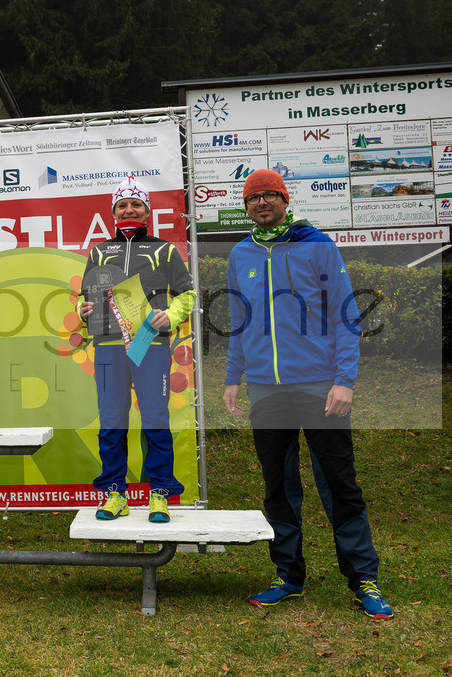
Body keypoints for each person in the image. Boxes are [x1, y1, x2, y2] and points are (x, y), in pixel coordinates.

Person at [223, 169, 392, 620]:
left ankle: (364, 579)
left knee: (339, 484)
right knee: (279, 487)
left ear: (284, 199)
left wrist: (345, 380)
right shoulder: (240, 253)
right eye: (253, 197)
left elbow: (346, 316)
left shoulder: (316, 244)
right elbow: (239, 321)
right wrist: (232, 377)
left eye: (269, 196)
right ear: (246, 206)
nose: (261, 203)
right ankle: (289, 576)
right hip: (265, 390)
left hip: (320, 386)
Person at [78, 177, 195, 523]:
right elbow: (88, 299)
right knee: (112, 421)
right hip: (108, 347)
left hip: (149, 344)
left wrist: (170, 315)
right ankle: (115, 493)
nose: (129, 209)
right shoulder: (99, 251)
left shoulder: (164, 249)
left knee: (155, 419)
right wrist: (82, 312)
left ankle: (159, 493)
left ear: (147, 210)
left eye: (136, 204)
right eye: (122, 205)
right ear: (113, 212)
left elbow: (187, 294)